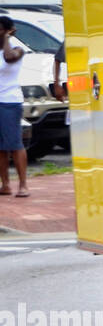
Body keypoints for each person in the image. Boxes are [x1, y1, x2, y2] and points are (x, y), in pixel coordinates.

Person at [0, 15, 30, 197]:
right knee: (1, 147)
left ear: (8, 30)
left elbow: (9, 57)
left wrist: (6, 39)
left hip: (9, 102)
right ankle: (5, 185)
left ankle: (23, 185)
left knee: (14, 144)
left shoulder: (18, 49)